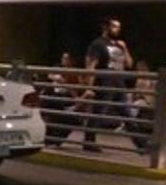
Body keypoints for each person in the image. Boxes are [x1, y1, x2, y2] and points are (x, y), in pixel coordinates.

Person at [83, 17, 133, 152]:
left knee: (126, 112)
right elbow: (91, 65)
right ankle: (89, 141)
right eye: (114, 26)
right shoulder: (98, 44)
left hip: (119, 81)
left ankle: (142, 144)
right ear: (106, 27)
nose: (117, 30)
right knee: (99, 112)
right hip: (105, 81)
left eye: (118, 27)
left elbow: (129, 64)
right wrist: (89, 87)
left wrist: (125, 48)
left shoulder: (120, 44)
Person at [40, 52, 84, 146]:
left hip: (65, 97)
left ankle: (53, 139)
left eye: (66, 58)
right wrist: (57, 78)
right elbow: (49, 74)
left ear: (71, 60)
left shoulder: (74, 72)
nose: (64, 60)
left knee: (65, 118)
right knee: (52, 113)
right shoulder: (58, 68)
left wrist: (67, 84)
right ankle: (50, 139)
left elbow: (77, 88)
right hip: (54, 95)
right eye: (63, 58)